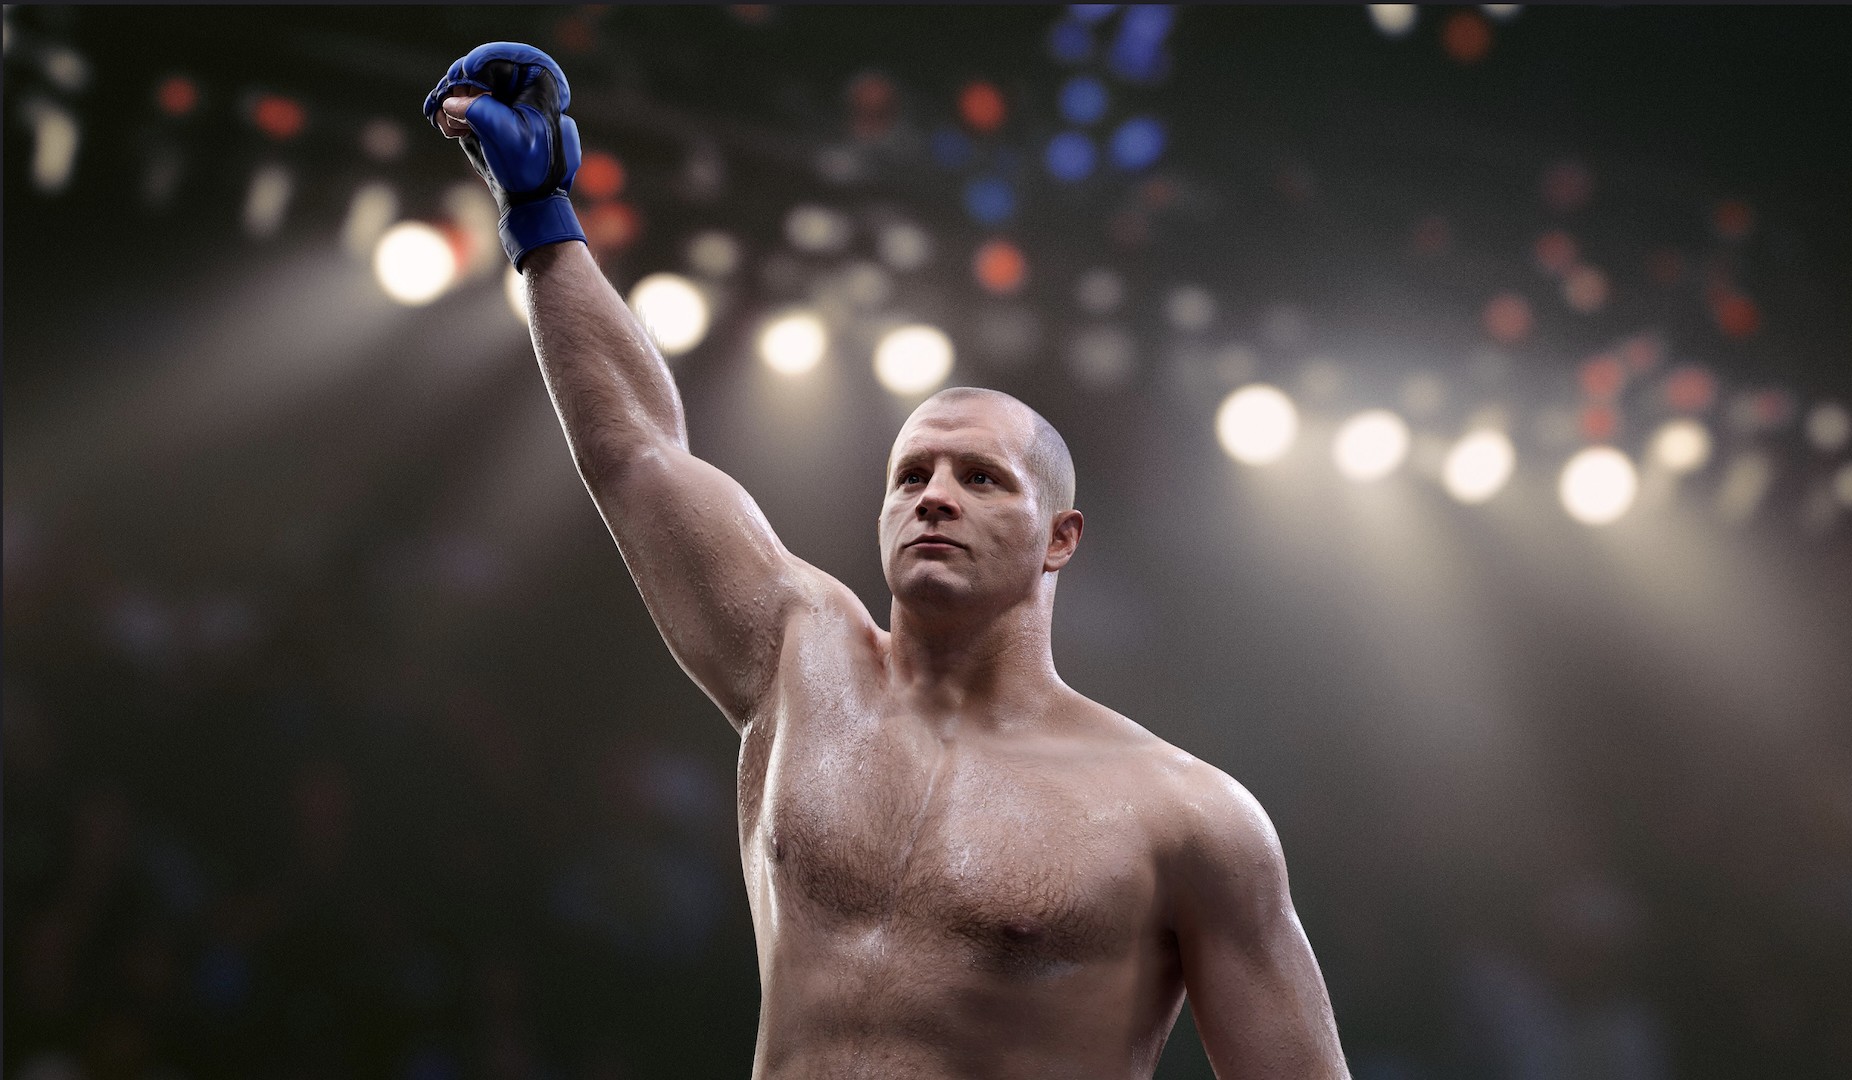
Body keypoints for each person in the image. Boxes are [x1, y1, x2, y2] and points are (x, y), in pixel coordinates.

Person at [426, 43, 1349, 1080]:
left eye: (982, 478)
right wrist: (542, 222)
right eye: (911, 476)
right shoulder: (800, 659)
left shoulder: (1186, 818)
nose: (935, 496)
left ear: (1061, 538)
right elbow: (638, 453)